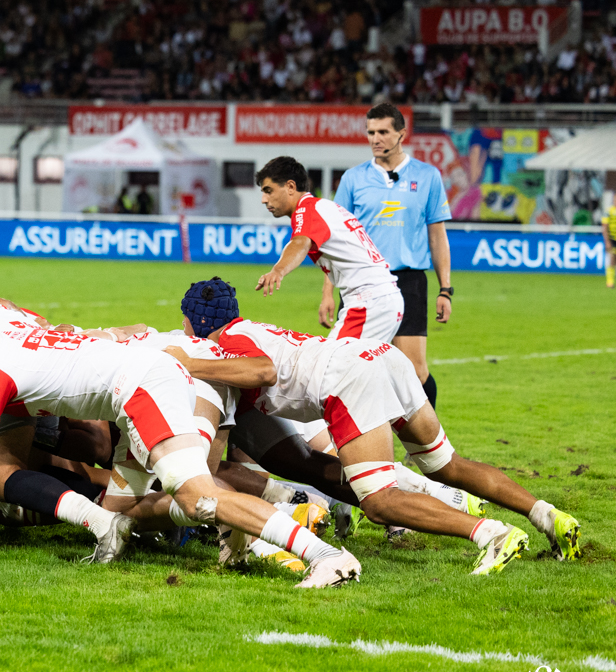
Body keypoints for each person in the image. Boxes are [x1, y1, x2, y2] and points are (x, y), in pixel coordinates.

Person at [0, 312, 361, 588]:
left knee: (198, 495)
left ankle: (324, 556)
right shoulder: (4, 339)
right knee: (122, 512)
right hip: (141, 384)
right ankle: (239, 531)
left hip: (144, 388)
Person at [172, 278, 582, 574]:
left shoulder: (216, 345)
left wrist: (188, 363)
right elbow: (287, 452)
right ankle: (548, 516)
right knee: (446, 465)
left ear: (195, 321)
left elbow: (262, 370)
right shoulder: (250, 328)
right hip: (378, 356)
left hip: (347, 381)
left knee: (379, 502)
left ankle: (491, 534)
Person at [331, 102, 453, 405]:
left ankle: (428, 449)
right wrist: (326, 293)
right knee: (350, 366)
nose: (376, 139)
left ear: (401, 133)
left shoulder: (427, 176)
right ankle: (345, 446)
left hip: (408, 280)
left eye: (383, 132)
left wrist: (445, 289)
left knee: (414, 369)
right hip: (361, 279)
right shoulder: (353, 179)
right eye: (371, 132)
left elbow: (437, 235)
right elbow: (335, 240)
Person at [254, 156, 404, 343]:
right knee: (363, 369)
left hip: (369, 302)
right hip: (381, 298)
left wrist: (278, 270)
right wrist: (327, 294)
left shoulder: (307, 209)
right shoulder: (322, 207)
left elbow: (300, 243)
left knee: (330, 365)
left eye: (268, 191)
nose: (263, 199)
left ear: (291, 187)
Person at [601, 194, 615, 288]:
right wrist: (607, 241)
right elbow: (605, 227)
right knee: (612, 259)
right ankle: (610, 282)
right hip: (613, 239)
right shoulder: (609, 211)